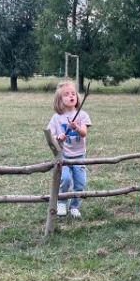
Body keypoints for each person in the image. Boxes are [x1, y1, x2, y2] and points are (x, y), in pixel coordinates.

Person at [48, 81, 92, 218]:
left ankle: (74, 206)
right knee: (65, 179)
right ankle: (61, 202)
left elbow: (84, 132)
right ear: (59, 100)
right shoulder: (56, 118)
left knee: (80, 182)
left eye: (73, 93)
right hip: (64, 155)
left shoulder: (82, 115)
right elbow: (50, 137)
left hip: (79, 155)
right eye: (66, 95)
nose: (71, 96)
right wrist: (58, 137)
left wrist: (76, 127)